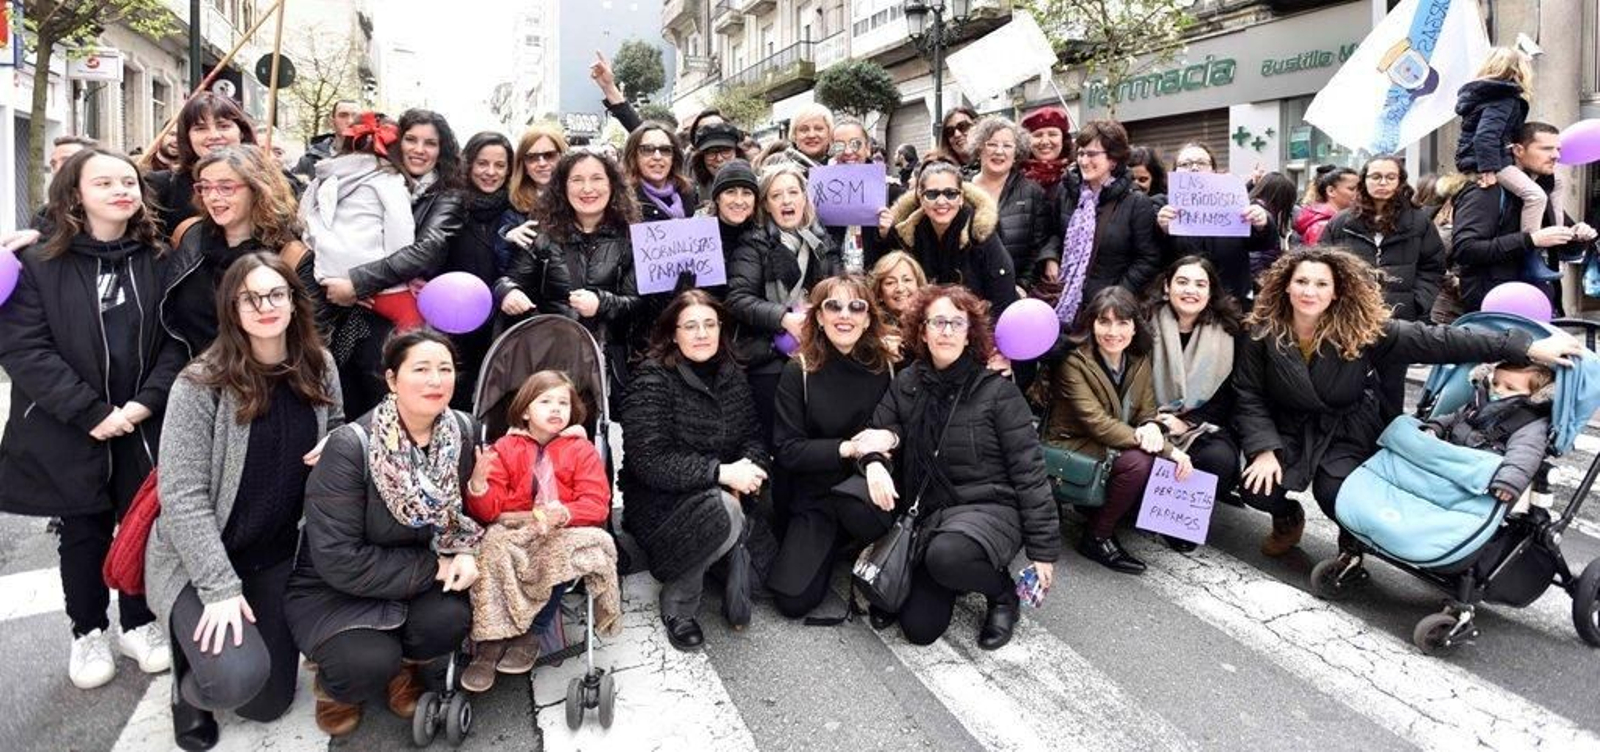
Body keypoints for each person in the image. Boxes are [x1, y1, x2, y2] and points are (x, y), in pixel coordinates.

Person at [1233, 247, 1581, 558]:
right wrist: (1264, 449)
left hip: (1346, 424)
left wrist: (1524, 348)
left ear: (1337, 290)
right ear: (1286, 286)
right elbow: (1248, 394)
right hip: (1287, 424)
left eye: (1321, 284)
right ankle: (1286, 517)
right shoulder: (1261, 331)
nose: (1310, 291)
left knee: (1338, 494)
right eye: (1302, 281)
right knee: (1256, 488)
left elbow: (1440, 340)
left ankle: (1352, 546)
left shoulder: (1364, 328)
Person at [0, 148, 185, 690]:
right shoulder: (39, 263)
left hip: (140, 422)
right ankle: (88, 631)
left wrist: (145, 402)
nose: (121, 191)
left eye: (128, 181)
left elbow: (177, 341)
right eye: (104, 182)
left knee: (140, 526)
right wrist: (90, 413)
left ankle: (138, 621)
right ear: (75, 193)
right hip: (69, 425)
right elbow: (24, 348)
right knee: (82, 531)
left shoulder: (157, 259)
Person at [147, 252, 342, 750]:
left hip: (273, 553)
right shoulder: (200, 383)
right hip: (199, 560)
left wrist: (335, 447)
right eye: (249, 298)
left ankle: (218, 655)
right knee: (234, 679)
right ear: (231, 309)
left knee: (268, 702)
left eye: (276, 294)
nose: (264, 306)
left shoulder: (318, 365)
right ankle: (188, 688)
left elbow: (337, 427)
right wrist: (217, 589)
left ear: (295, 303)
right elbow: (182, 497)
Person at [286, 329, 483, 737]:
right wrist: (435, 568)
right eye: (421, 369)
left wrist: (464, 549)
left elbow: (464, 510)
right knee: (364, 662)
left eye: (444, 369)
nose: (435, 380)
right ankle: (335, 689)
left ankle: (404, 668)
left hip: (418, 568)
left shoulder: (462, 431)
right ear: (392, 380)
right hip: (338, 586)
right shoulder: (351, 447)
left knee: (449, 619)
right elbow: (339, 558)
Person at [860, 285, 1059, 649]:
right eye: (938, 322)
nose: (946, 331)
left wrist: (1043, 552)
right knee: (919, 629)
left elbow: (1029, 472)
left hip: (989, 507)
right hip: (928, 511)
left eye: (957, 323)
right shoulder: (909, 382)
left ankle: (1001, 594)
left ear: (970, 333)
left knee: (946, 556)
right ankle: (938, 566)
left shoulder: (997, 392)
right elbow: (879, 430)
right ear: (922, 330)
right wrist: (873, 462)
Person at [620, 290, 770, 651]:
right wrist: (720, 473)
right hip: (661, 505)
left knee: (759, 582)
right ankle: (679, 603)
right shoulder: (651, 379)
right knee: (725, 513)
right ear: (673, 333)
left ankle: (721, 543)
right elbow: (648, 461)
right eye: (690, 326)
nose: (702, 334)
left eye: (709, 324)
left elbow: (752, 435)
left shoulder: (731, 373)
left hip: (724, 487)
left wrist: (748, 470)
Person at [461, 370, 610, 692]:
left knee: (557, 553)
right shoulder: (505, 448)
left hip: (561, 527)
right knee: (490, 549)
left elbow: (597, 503)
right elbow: (489, 512)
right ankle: (490, 641)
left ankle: (532, 632)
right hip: (514, 524)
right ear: (526, 410)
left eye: (563, 403)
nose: (556, 409)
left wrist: (565, 512)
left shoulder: (580, 450)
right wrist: (478, 484)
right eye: (545, 402)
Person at [321, 109, 467, 419]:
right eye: (411, 140)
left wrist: (358, 282)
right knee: (352, 396)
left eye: (430, 143)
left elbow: (427, 250)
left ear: (442, 151)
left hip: (400, 311)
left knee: (398, 396)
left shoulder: (447, 196)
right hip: (358, 313)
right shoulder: (375, 180)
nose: (419, 149)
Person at [768, 276, 898, 619]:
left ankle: (864, 540)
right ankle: (839, 544)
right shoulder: (799, 371)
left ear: (869, 317)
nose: (845, 315)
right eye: (833, 306)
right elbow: (788, 449)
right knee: (793, 600)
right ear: (819, 317)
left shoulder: (886, 366)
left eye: (857, 306)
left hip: (869, 485)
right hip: (817, 492)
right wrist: (848, 448)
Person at [1045, 286, 1193, 573]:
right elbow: (1096, 423)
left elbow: (1146, 411)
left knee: (1153, 457)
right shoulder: (1073, 362)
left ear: (1135, 327)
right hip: (1072, 442)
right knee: (1140, 461)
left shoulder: (1138, 361)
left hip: (1113, 440)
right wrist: (1166, 447)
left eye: (1122, 322)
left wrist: (1151, 426)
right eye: (1104, 322)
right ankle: (1097, 536)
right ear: (1092, 324)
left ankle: (1149, 521)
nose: (1113, 332)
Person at [502, 151, 636, 402]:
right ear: (563, 187)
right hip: (549, 358)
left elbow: (638, 303)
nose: (588, 189)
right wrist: (509, 292)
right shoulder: (541, 234)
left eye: (597, 179)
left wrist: (601, 303)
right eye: (577, 180)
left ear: (612, 185)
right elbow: (510, 280)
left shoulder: (630, 238)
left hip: (605, 361)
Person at [1320, 155, 1445, 418]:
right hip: (1350, 318)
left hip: (1399, 319)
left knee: (1391, 388)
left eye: (1390, 177)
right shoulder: (1341, 223)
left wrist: (1418, 302)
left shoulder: (1418, 222)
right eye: (1375, 176)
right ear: (1364, 181)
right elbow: (1322, 265)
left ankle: (1388, 441)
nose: (1383, 183)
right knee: (1347, 383)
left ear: (1400, 182)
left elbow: (1432, 266)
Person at [727, 161, 844, 440]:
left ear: (805, 198)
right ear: (766, 205)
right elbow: (738, 298)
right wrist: (783, 318)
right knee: (777, 439)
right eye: (776, 195)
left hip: (818, 350)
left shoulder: (823, 243)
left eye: (793, 192)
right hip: (768, 355)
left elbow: (838, 290)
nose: (786, 200)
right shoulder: (753, 244)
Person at [163, 145, 316, 358]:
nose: (213, 197)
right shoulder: (187, 234)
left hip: (254, 383)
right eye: (205, 187)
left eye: (226, 188)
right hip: (185, 375)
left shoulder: (292, 257)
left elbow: (306, 344)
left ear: (258, 189)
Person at [1143, 257, 1246, 552]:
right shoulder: (1144, 322)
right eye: (1182, 282)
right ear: (1167, 286)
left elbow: (1231, 392)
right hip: (1147, 413)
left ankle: (1177, 521)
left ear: (1211, 291)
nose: (1191, 290)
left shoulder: (1230, 332)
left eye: (1201, 284)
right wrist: (1157, 419)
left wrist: (1188, 420)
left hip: (1203, 421)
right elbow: (1133, 378)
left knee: (1220, 459)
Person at [1451, 122, 1598, 313]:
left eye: (1558, 149)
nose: (1556, 155)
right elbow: (1465, 249)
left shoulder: (1543, 190)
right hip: (1496, 307)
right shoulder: (1487, 191)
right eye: (1546, 149)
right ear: (1519, 150)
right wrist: (1530, 240)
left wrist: (1578, 236)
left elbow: (1563, 248)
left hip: (1541, 302)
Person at [300, 112, 423, 331]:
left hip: (327, 278)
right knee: (415, 332)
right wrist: (401, 279)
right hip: (376, 280)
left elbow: (305, 222)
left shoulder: (323, 178)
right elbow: (401, 237)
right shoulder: (389, 180)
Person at [884, 161, 1019, 310]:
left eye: (950, 194)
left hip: (977, 326)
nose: (941, 201)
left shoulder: (980, 232)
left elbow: (1003, 297)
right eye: (932, 194)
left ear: (961, 197)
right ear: (921, 199)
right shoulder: (906, 234)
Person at [444, 131, 516, 405]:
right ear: (469, 164)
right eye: (482, 163)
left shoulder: (518, 209)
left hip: (503, 325)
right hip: (455, 325)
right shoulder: (450, 204)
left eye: (500, 165)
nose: (491, 172)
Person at [1155, 143, 1275, 301]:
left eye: (1202, 163)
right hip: (1184, 300)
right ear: (1175, 170)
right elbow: (1149, 253)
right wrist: (1160, 229)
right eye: (1185, 164)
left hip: (1231, 299)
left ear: (1213, 169)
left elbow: (1264, 244)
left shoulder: (1235, 201)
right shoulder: (1161, 205)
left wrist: (1263, 223)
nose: (1194, 168)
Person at [1421, 362, 1553, 506]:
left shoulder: (1528, 423)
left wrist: (1508, 482)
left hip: (1478, 474)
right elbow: (1454, 417)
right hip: (1450, 458)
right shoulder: (1479, 402)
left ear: (1534, 395)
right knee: (1402, 425)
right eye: (1495, 383)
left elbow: (1524, 455)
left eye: (1510, 388)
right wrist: (1435, 427)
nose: (1498, 390)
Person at [1455, 48, 1546, 236]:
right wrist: (1488, 169)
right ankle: (1531, 245)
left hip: (1483, 157)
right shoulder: (1503, 98)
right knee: (1536, 196)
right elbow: (1485, 135)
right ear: (1519, 71)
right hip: (1492, 161)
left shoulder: (1486, 96)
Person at [147, 93, 260, 236]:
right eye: (200, 128)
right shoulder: (161, 186)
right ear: (187, 136)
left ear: (241, 132)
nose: (214, 136)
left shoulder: (271, 183)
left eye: (223, 126)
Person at [969, 116, 1057, 286]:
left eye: (1007, 146)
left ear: (1016, 153)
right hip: (967, 293)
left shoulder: (1032, 192)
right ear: (980, 148)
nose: (999, 151)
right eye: (992, 144)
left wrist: (1023, 286)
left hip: (1015, 292)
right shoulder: (962, 189)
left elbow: (1038, 248)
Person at [826, 117, 900, 273]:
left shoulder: (892, 192)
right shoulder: (823, 192)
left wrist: (887, 233)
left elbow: (908, 251)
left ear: (868, 148)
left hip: (877, 285)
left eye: (855, 144)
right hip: (836, 285)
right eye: (839, 146)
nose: (847, 151)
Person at [499, 124, 571, 269]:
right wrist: (508, 240)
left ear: (563, 157)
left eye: (549, 155)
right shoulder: (511, 210)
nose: (542, 163)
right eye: (532, 158)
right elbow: (504, 269)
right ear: (523, 165)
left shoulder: (583, 200)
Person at [692, 158, 759, 300]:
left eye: (747, 193)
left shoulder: (763, 236)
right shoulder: (697, 236)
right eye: (730, 192)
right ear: (717, 198)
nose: (739, 201)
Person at [624, 123, 698, 223]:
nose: (657, 157)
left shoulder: (689, 193)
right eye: (647, 149)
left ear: (674, 157)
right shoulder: (623, 201)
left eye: (665, 150)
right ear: (633, 156)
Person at [870, 250, 927, 359]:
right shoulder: (870, 329)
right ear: (880, 293)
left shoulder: (932, 323)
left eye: (907, 280)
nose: (900, 288)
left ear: (919, 285)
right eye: (890, 282)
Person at [293, 99, 361, 181]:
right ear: (332, 122)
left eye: (356, 116)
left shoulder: (375, 159)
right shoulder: (309, 161)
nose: (350, 121)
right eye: (343, 115)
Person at [1293, 165, 1359, 246]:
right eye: (1352, 189)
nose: (1358, 194)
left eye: (1360, 189)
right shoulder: (1323, 226)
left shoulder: (1338, 219)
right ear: (1331, 191)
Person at [1020, 107, 1073, 201]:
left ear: (1063, 139)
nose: (1045, 141)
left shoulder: (1077, 176)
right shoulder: (1014, 178)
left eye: (1052, 134)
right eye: (1038, 135)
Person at [690, 122, 743, 198]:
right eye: (711, 153)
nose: (719, 159)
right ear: (702, 158)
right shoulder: (691, 193)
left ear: (737, 153)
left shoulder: (757, 184)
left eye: (725, 151)